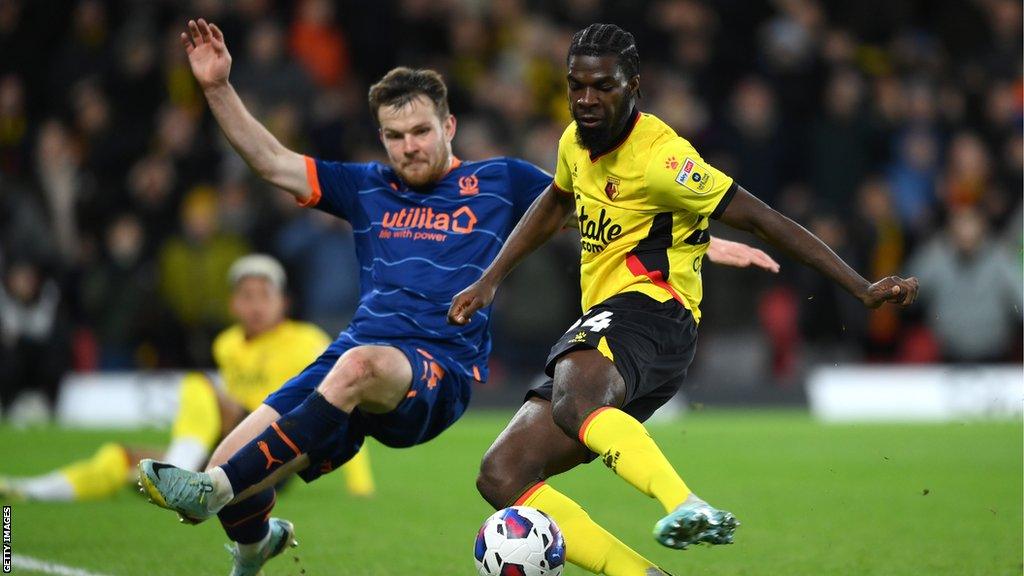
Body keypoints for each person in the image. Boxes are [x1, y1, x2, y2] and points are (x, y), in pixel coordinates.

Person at [137, 19, 778, 576]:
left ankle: (216, 485)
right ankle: (254, 546)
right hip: (355, 357)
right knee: (239, 473)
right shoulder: (364, 187)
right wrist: (218, 87)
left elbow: (605, 203)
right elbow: (273, 162)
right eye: (394, 136)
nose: (408, 146)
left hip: (435, 368)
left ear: (449, 125)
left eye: (420, 131)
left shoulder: (498, 181)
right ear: (380, 139)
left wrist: (704, 245)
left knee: (300, 414)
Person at [448, 23, 920, 576]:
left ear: (634, 86)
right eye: (576, 85)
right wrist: (491, 278)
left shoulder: (665, 159)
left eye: (602, 86)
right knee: (502, 473)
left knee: (575, 397)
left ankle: (684, 503)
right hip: (612, 324)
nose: (585, 99)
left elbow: (764, 219)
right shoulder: (574, 142)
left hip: (656, 311)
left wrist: (861, 286)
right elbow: (555, 202)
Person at [0, 254, 375, 502]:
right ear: (233, 305)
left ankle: (176, 473)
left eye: (265, 295)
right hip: (231, 449)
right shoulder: (227, 343)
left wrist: (360, 482)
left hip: (279, 451)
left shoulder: (307, 340)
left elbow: (344, 401)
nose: (256, 304)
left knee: (200, 387)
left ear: (284, 302)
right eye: (246, 295)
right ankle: (30, 490)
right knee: (124, 457)